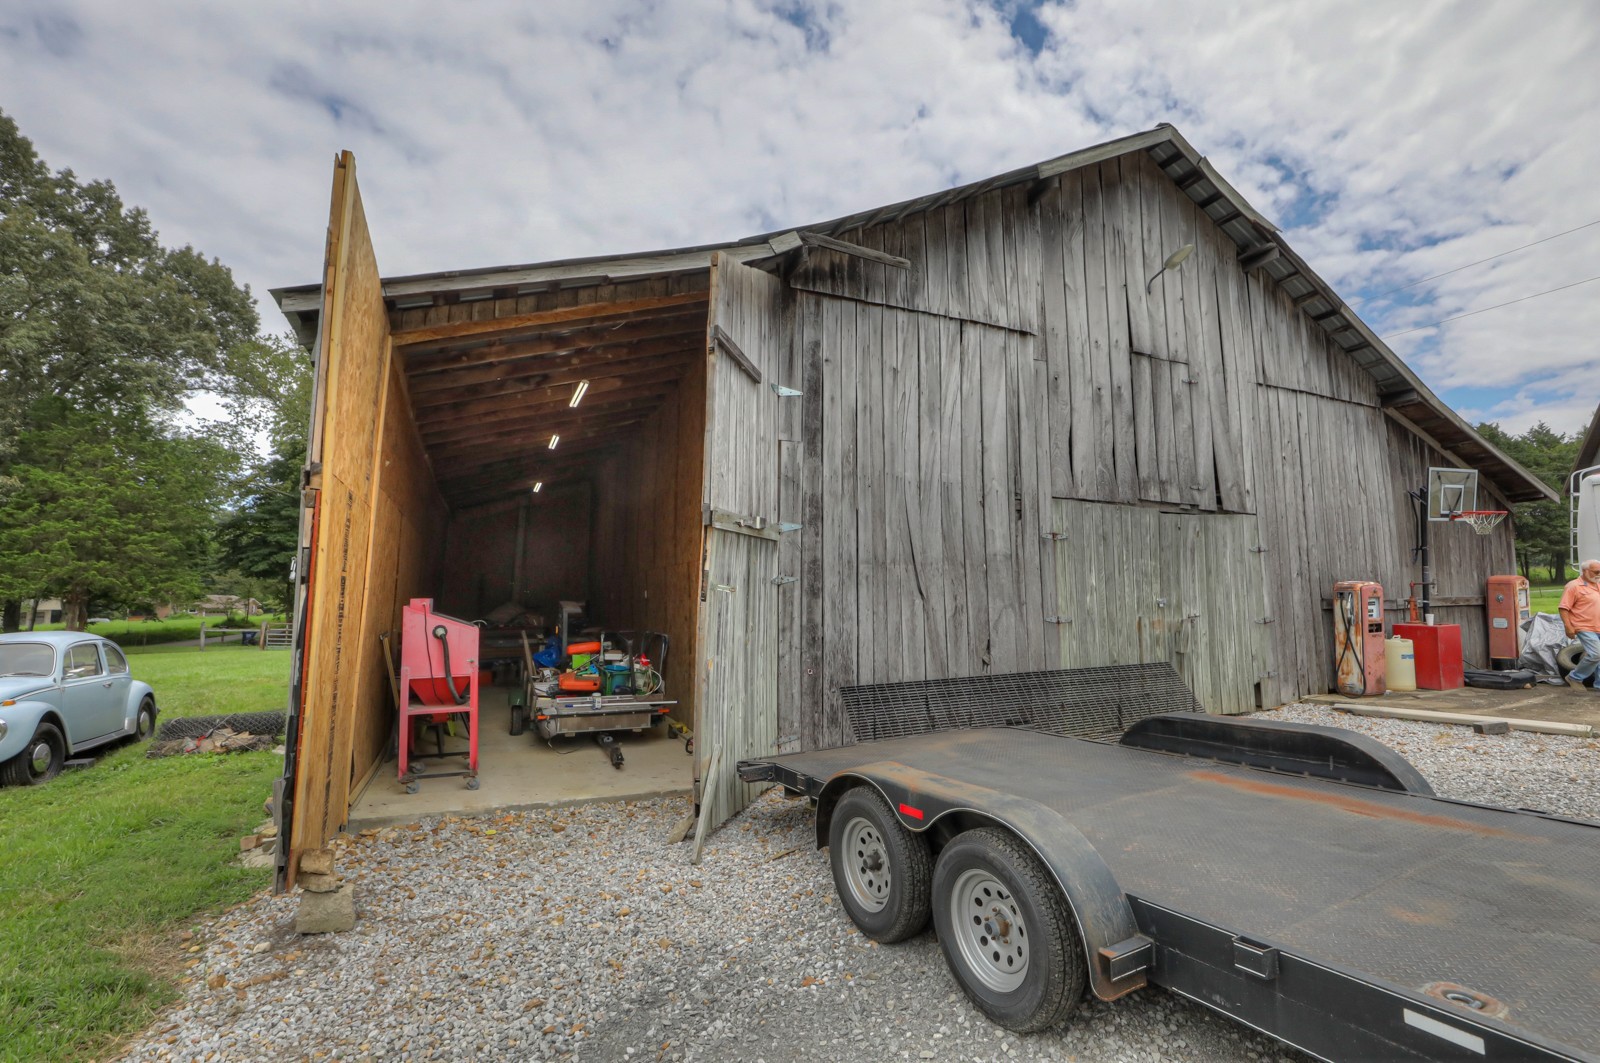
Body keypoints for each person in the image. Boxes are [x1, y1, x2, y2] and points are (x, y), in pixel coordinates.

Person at [1558, 559, 1600, 689]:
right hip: (1584, 627)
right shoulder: (1573, 586)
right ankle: (1574, 677)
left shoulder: (1598, 584)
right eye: (1596, 571)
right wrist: (1568, 626)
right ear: (1585, 571)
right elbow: (1563, 608)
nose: (1599, 574)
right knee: (1596, 654)